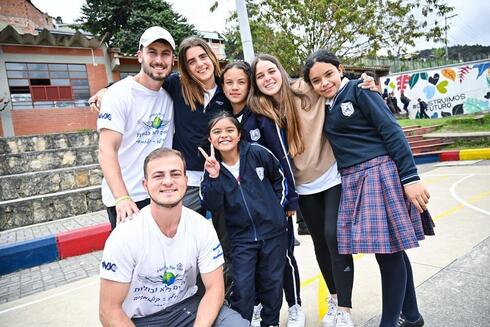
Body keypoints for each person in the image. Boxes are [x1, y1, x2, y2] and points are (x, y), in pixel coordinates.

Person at [304, 49, 434, 327]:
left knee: (387, 254)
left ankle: (389, 322)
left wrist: (410, 177)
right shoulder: (326, 102)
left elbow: (392, 130)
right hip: (354, 179)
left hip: (378, 174)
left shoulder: (360, 90)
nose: (324, 83)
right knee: (391, 250)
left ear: (340, 69)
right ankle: (411, 316)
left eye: (328, 74)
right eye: (316, 80)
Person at [248, 54, 376, 327]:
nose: (267, 79)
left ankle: (344, 309)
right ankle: (333, 297)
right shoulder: (260, 111)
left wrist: (363, 82)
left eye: (271, 71)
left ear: (281, 71)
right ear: (255, 84)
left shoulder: (304, 89)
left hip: (332, 176)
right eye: (260, 76)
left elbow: (330, 81)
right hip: (302, 186)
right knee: (319, 242)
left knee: (334, 236)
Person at [99, 148, 248, 327]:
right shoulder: (124, 236)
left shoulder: (200, 227)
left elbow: (215, 289)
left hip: (188, 310)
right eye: (158, 176)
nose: (168, 181)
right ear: (145, 185)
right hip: (141, 321)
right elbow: (108, 311)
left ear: (186, 180)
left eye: (175, 174)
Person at [219, 61, 303, 327]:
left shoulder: (261, 115)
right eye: (229, 82)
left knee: (284, 258)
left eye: (241, 82)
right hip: (243, 212)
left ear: (250, 85)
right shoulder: (224, 120)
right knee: (252, 262)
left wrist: (289, 199)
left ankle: (295, 305)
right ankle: (258, 307)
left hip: (272, 206)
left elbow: (282, 159)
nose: (234, 88)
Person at [199, 113, 288, 327]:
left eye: (229, 130)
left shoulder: (258, 153)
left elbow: (280, 178)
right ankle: (242, 323)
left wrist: (275, 211)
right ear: (210, 139)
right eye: (217, 132)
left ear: (239, 135)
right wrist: (213, 176)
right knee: (243, 288)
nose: (224, 135)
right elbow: (211, 204)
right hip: (240, 239)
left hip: (272, 234)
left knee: (272, 283)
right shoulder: (211, 168)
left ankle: (271, 322)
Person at [96, 26, 175, 230]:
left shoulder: (170, 95)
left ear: (172, 60)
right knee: (133, 261)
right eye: (152, 52)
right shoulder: (119, 94)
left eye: (165, 54)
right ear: (139, 55)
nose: (159, 60)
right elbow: (106, 150)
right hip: (128, 197)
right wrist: (122, 197)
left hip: (161, 193)